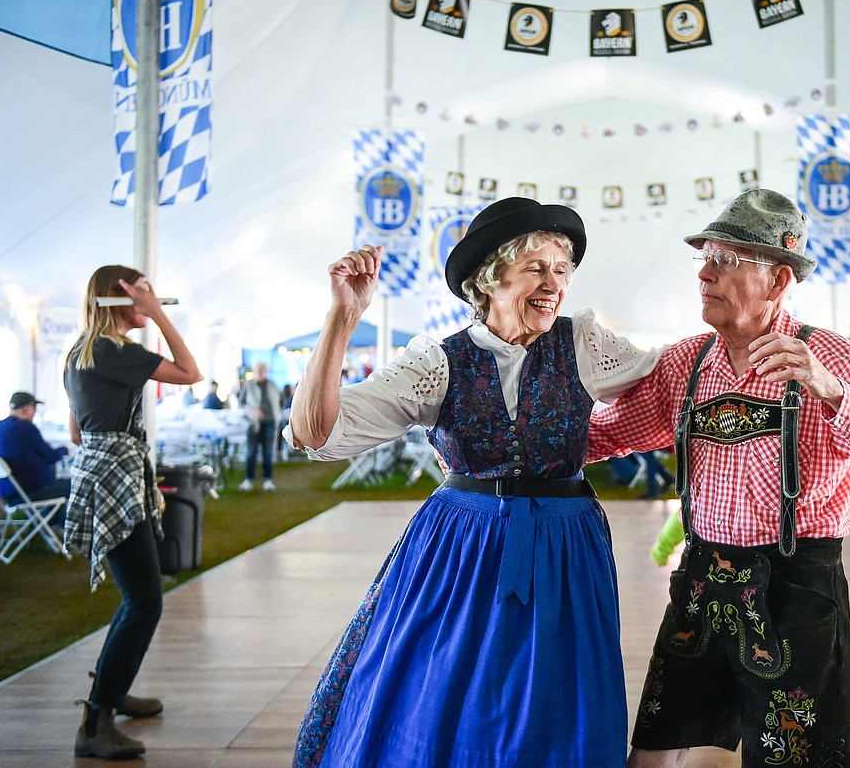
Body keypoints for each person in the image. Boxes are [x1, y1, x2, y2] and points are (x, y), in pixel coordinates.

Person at [287, 197, 663, 767]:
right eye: (535, 268)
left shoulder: (586, 345)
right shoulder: (437, 363)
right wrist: (343, 317)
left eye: (561, 270)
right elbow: (316, 432)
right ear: (488, 279)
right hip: (460, 547)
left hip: (566, 546)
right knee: (439, 692)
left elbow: (679, 373)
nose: (553, 283)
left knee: (560, 698)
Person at [586, 189, 850, 767]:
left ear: (778, 281)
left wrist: (834, 394)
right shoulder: (687, 362)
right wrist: (496, 439)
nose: (703, 272)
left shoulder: (832, 358)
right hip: (703, 581)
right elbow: (602, 435)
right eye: (704, 257)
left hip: (796, 586)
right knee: (657, 750)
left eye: (725, 260)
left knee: (793, 758)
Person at [62, 265, 202, 759]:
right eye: (142, 293)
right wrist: (159, 316)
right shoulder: (113, 349)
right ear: (119, 298)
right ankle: (96, 720)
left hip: (101, 470)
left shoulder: (81, 350)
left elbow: (78, 432)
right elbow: (190, 372)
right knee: (145, 600)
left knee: (135, 597)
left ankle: (112, 692)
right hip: (116, 476)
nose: (151, 298)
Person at [0, 391, 72, 516]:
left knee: (56, 486)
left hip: (7, 491)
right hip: (30, 491)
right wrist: (65, 449)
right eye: (34, 408)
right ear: (27, 408)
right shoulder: (25, 428)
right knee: (76, 485)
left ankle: (49, 530)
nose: (35, 412)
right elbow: (51, 457)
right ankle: (61, 530)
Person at [239, 362, 282, 492]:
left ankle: (268, 480)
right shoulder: (249, 385)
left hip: (270, 422)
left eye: (262, 370)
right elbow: (242, 404)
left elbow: (279, 401)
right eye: (258, 370)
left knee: (268, 452)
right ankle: (249, 479)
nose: (260, 372)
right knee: (251, 452)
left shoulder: (272, 385)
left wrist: (277, 415)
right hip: (253, 423)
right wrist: (253, 411)